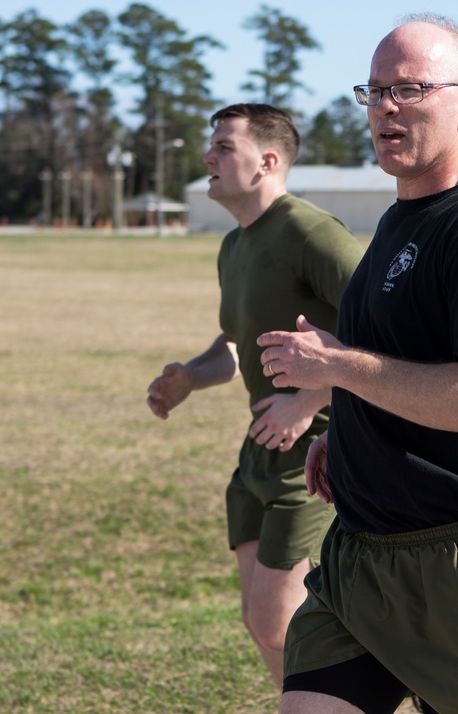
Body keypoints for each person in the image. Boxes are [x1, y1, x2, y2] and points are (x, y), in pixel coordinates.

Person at [256, 15, 458, 714]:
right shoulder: (402, 218)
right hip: (363, 558)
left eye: (409, 89)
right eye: (373, 92)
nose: (386, 109)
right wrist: (347, 431)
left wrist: (338, 369)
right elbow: (400, 357)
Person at [146, 103, 363, 687]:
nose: (206, 156)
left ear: (266, 162)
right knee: (261, 623)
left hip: (321, 452)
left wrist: (312, 397)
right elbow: (240, 345)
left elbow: (386, 332)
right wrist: (191, 376)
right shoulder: (235, 246)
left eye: (223, 146)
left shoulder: (313, 233)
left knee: (280, 619)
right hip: (259, 450)